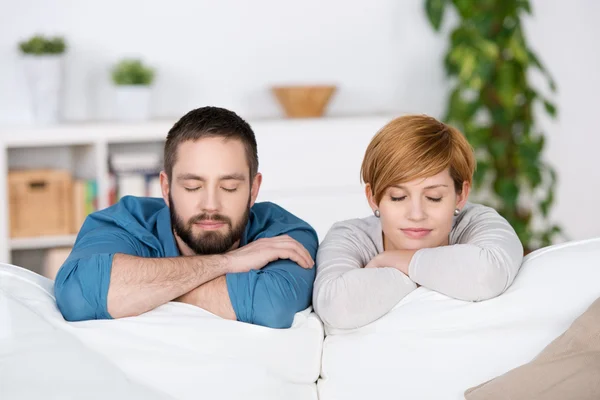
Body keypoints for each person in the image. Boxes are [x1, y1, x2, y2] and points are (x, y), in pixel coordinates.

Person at [54, 106, 318, 329]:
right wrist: (227, 263)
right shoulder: (119, 223)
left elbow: (271, 305)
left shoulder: (284, 234)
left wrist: (140, 292)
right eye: (193, 186)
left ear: (253, 189)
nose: (211, 205)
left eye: (229, 187)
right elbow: (78, 295)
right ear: (166, 189)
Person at [313, 114, 524, 330]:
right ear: (373, 198)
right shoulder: (350, 236)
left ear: (461, 195)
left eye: (433, 197)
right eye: (397, 197)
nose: (416, 214)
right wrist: (424, 273)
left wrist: (390, 261)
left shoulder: (477, 221)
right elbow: (336, 307)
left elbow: (487, 274)